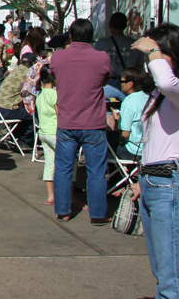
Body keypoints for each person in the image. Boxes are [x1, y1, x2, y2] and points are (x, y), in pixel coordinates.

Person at [128, 24, 179, 299]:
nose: (151, 61)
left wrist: (152, 50)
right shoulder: (163, 93)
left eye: (159, 53)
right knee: (163, 272)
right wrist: (141, 181)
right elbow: (154, 141)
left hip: (171, 185)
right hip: (156, 182)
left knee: (173, 278)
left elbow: (166, 81)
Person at [49, 18, 112, 224]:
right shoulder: (101, 57)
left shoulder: (58, 58)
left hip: (67, 120)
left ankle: (63, 210)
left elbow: (53, 76)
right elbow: (105, 79)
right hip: (93, 121)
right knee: (97, 170)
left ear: (71, 35)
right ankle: (98, 213)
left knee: (64, 168)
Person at [94, 12, 145, 101]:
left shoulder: (101, 44)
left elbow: (95, 67)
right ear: (125, 26)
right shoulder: (135, 45)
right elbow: (139, 67)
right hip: (129, 84)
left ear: (110, 25)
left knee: (108, 110)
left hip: (107, 83)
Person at [0, 53, 38, 150]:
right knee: (32, 114)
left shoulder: (16, 70)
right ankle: (25, 140)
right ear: (33, 63)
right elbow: (33, 92)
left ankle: (16, 137)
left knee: (23, 111)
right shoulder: (29, 74)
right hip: (6, 111)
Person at [111, 66, 153, 160]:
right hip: (150, 149)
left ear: (130, 84)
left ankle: (116, 174)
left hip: (133, 151)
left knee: (107, 137)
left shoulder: (128, 102)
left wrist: (117, 121)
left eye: (122, 81)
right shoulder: (149, 98)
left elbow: (125, 134)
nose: (120, 84)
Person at [35, 65, 58, 206]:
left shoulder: (40, 95)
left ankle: (51, 195)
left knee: (49, 163)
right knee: (68, 163)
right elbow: (59, 112)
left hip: (43, 132)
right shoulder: (54, 95)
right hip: (55, 132)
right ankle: (70, 194)